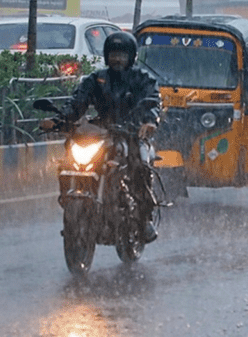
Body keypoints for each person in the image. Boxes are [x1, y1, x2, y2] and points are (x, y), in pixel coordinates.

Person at [40, 31, 162, 242]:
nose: (117, 59)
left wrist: (149, 121)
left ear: (131, 57)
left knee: (140, 165)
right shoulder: (96, 79)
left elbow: (152, 100)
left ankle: (144, 220)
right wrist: (60, 120)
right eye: (113, 54)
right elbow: (77, 102)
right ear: (106, 55)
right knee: (69, 156)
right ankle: (70, 200)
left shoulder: (142, 79)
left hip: (132, 132)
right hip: (102, 130)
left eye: (122, 55)